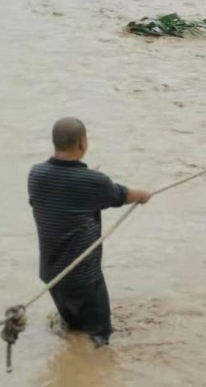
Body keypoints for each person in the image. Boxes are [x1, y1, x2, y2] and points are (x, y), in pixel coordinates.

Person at [28, 118, 152, 347]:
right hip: (84, 278)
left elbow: (60, 195)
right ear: (83, 144)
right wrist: (146, 195)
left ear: (55, 143)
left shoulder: (36, 174)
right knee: (100, 340)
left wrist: (85, 184)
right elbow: (124, 195)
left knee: (72, 331)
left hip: (52, 276)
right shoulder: (94, 182)